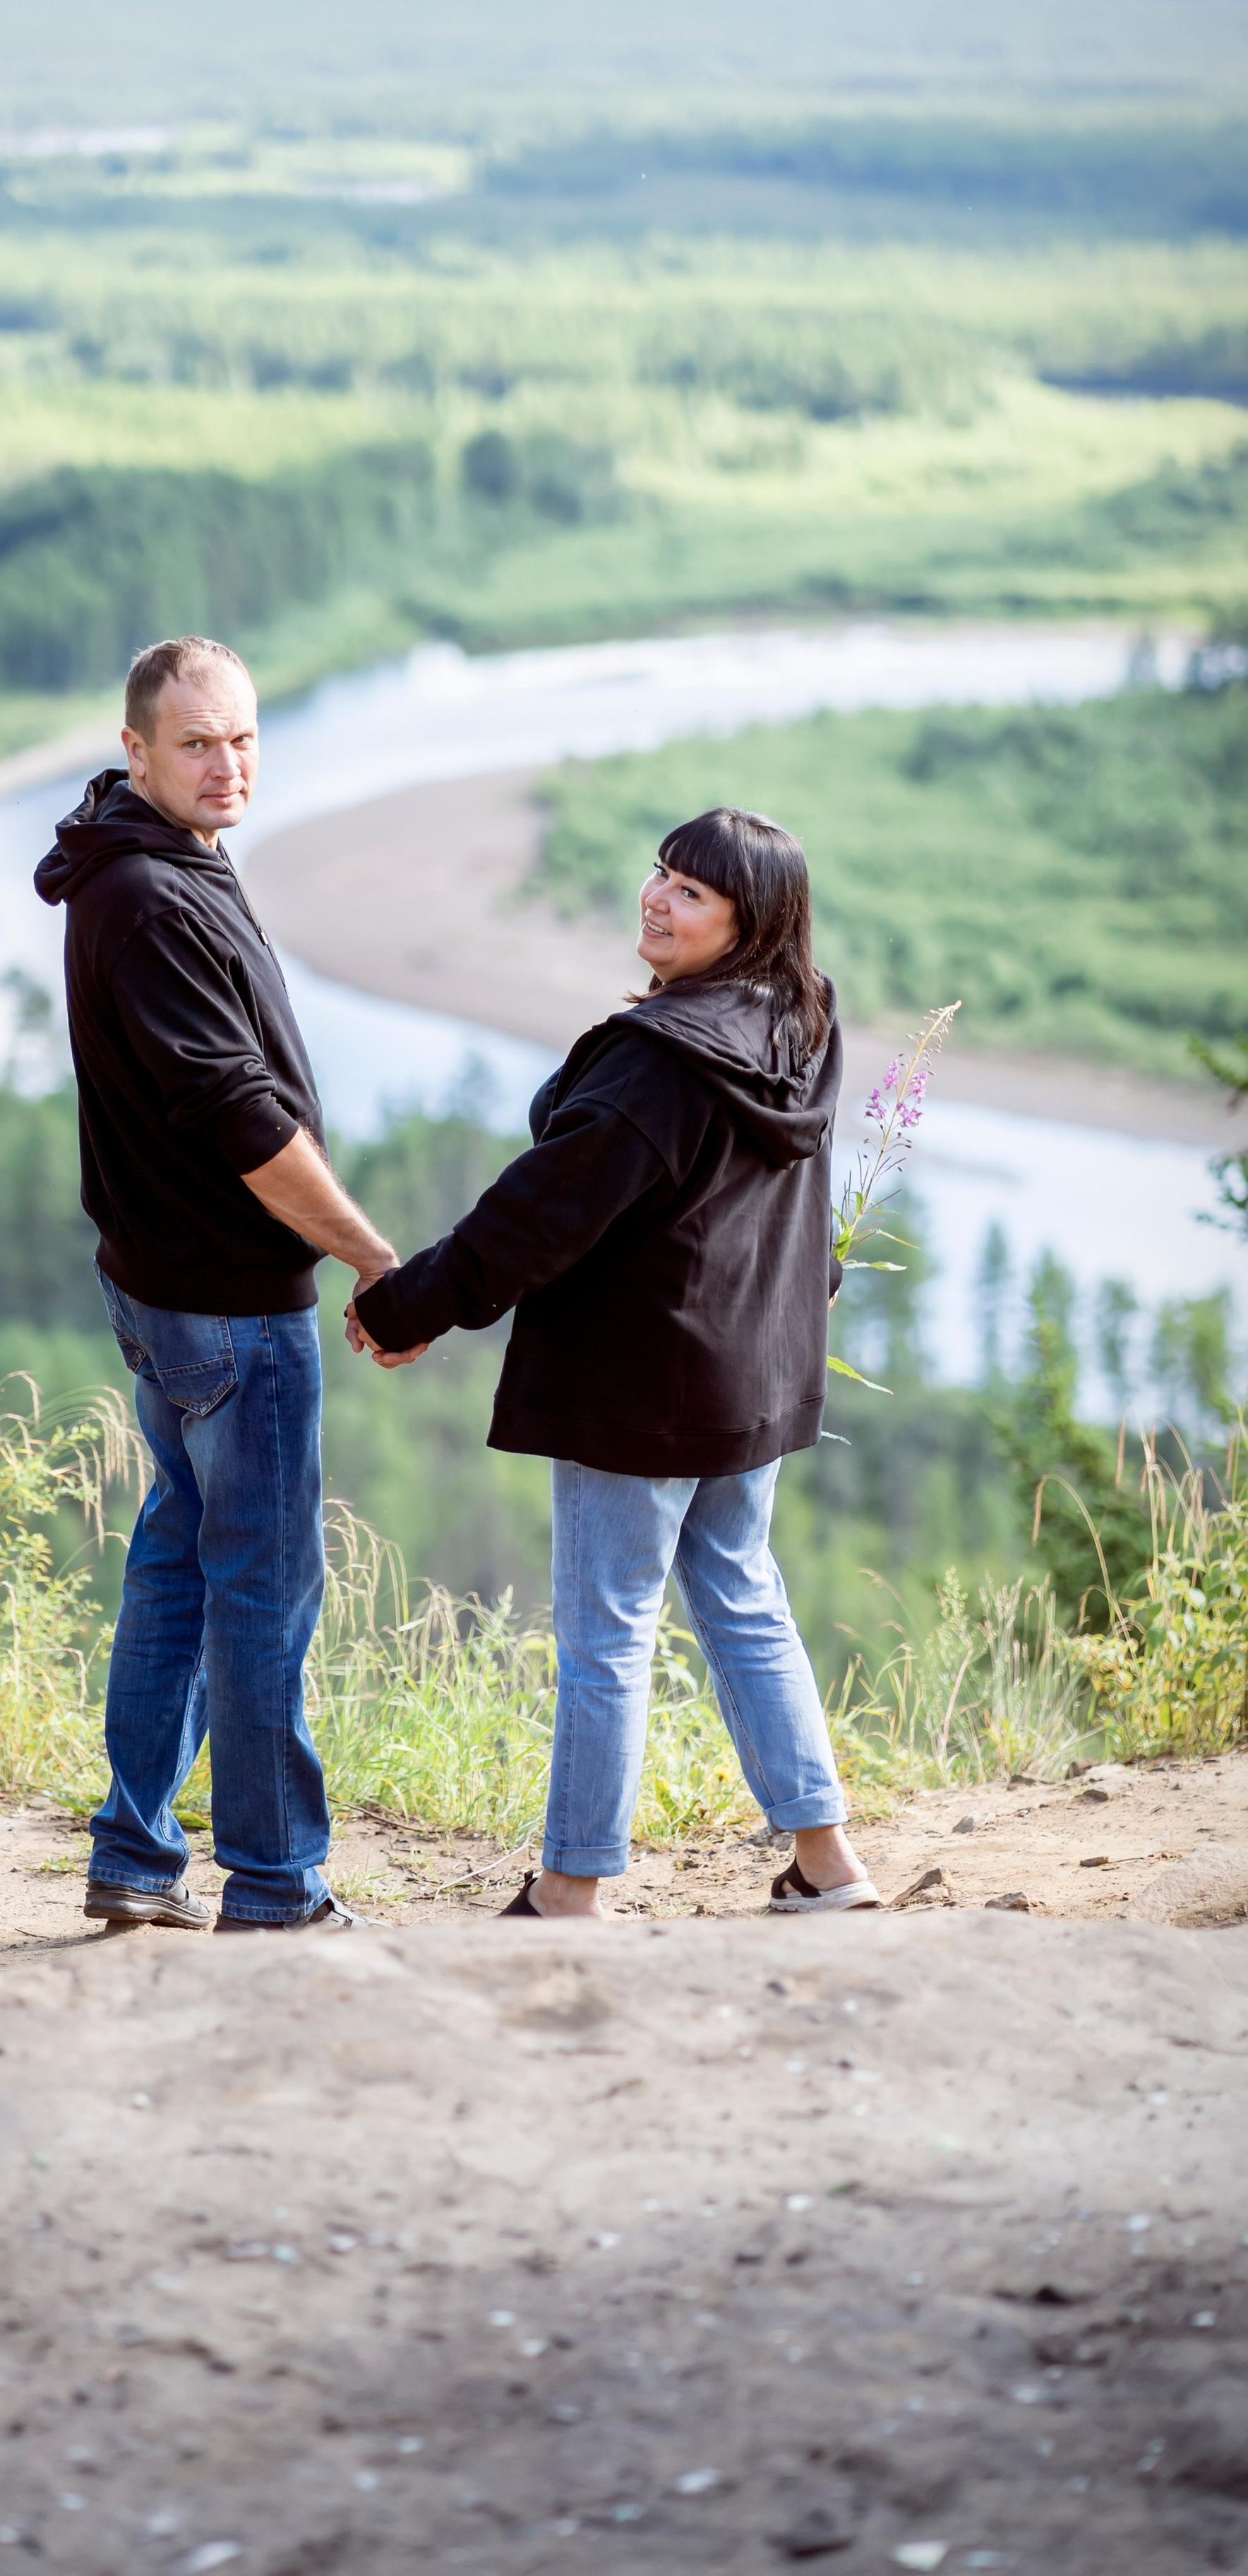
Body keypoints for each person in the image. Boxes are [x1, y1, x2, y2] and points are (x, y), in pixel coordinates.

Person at [349, 806, 880, 1920]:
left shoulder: (660, 1062)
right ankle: (828, 1864)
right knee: (742, 1596)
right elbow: (790, 1190)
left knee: (608, 1634)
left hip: (641, 1386)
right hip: (749, 1373)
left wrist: (410, 1304)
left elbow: (538, 1214)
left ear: (750, 922)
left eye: (692, 892)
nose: (657, 898)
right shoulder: (800, 1021)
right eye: (660, 873)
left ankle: (570, 1890)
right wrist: (811, 1291)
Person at [35, 635, 397, 1934]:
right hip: (229, 1307)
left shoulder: (145, 853)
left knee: (181, 1564)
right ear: (136, 749)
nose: (228, 764)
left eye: (243, 738)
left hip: (163, 1290)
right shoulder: (148, 896)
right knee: (262, 1591)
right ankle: (276, 1881)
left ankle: (136, 1859)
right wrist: (372, 1256)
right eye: (197, 743)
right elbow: (241, 1114)